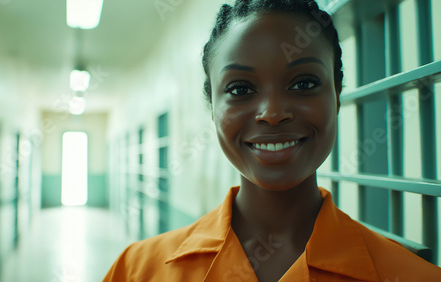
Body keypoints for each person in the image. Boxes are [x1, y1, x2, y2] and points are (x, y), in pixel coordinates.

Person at [103, 0, 441, 281]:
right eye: (240, 89)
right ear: (212, 107)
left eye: (304, 83)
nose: (273, 113)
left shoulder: (413, 276)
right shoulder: (136, 271)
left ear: (337, 95)